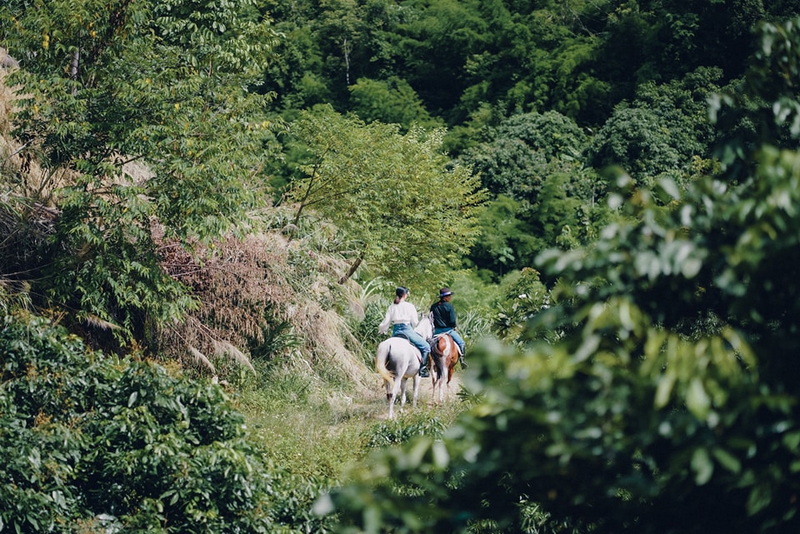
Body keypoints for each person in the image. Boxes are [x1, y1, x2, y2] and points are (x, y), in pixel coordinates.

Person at [378, 287, 431, 377]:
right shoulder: (409, 306)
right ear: (405, 295)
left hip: (395, 331)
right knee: (426, 347)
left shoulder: (392, 306)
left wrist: (382, 329)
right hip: (407, 330)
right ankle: (422, 369)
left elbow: (386, 321)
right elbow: (415, 322)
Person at [430, 287, 467, 367]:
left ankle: (426, 364)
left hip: (436, 331)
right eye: (449, 296)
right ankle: (463, 361)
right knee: (461, 343)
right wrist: (454, 326)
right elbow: (452, 320)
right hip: (448, 330)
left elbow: (431, 318)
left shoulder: (433, 306)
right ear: (445, 297)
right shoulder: (449, 306)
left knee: (428, 345)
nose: (450, 297)